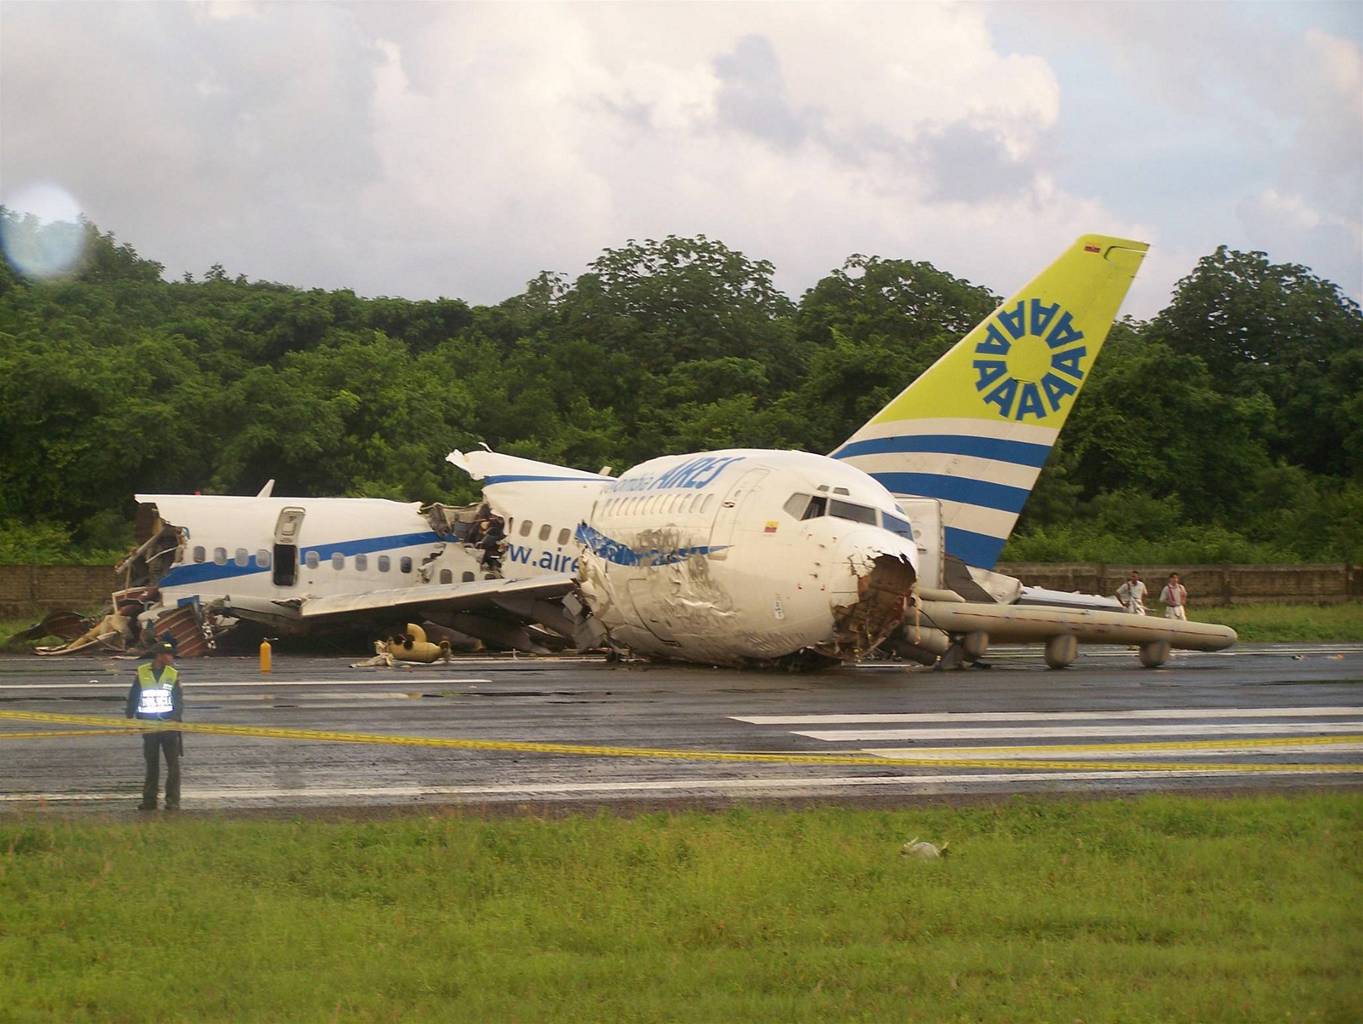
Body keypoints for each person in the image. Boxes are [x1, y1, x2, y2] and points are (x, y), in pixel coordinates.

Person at [125, 640, 183, 811]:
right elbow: (134, 696)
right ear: (159, 656)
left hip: (168, 725)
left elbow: (178, 700)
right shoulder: (142, 672)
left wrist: (175, 718)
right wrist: (129, 718)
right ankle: (149, 800)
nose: (171, 657)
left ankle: (172, 801)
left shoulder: (173, 673)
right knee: (152, 764)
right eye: (168, 654)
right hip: (149, 725)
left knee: (173, 766)